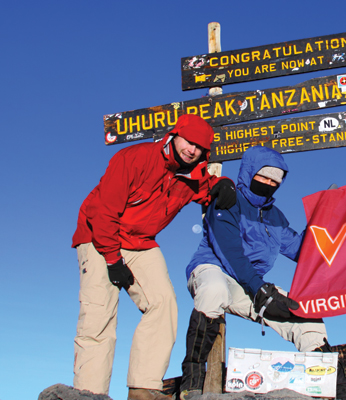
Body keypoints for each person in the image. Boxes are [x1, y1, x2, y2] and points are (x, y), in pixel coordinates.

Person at [71, 114, 237, 400]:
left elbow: (208, 186)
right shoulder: (134, 158)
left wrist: (224, 184)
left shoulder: (190, 174)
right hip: (100, 236)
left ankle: (143, 387)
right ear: (174, 136)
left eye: (199, 147)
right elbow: (104, 212)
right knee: (99, 315)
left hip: (141, 242)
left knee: (163, 304)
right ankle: (90, 393)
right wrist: (112, 260)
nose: (192, 150)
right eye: (189, 141)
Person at [179, 145, 346, 400]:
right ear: (249, 173)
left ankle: (339, 390)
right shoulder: (229, 199)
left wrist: (324, 216)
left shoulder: (275, 217)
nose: (269, 183)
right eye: (263, 176)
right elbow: (230, 252)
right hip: (214, 268)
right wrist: (260, 290)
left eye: (275, 180)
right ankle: (192, 382)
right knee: (214, 290)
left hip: (249, 284)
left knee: (304, 314)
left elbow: (301, 251)